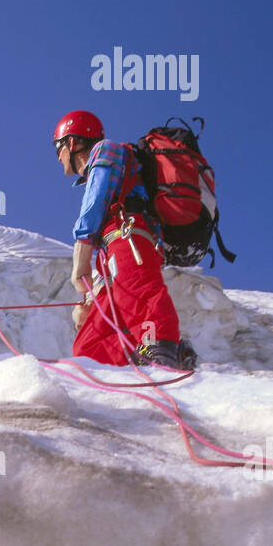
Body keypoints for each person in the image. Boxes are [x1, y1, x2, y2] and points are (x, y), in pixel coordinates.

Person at [54, 110, 194, 370]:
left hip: (128, 233)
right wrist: (90, 295)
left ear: (72, 142)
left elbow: (95, 199)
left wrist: (82, 250)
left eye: (58, 147)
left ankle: (162, 348)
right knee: (89, 345)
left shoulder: (105, 150)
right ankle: (135, 358)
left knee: (139, 291)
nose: (58, 156)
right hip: (113, 248)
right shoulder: (108, 157)